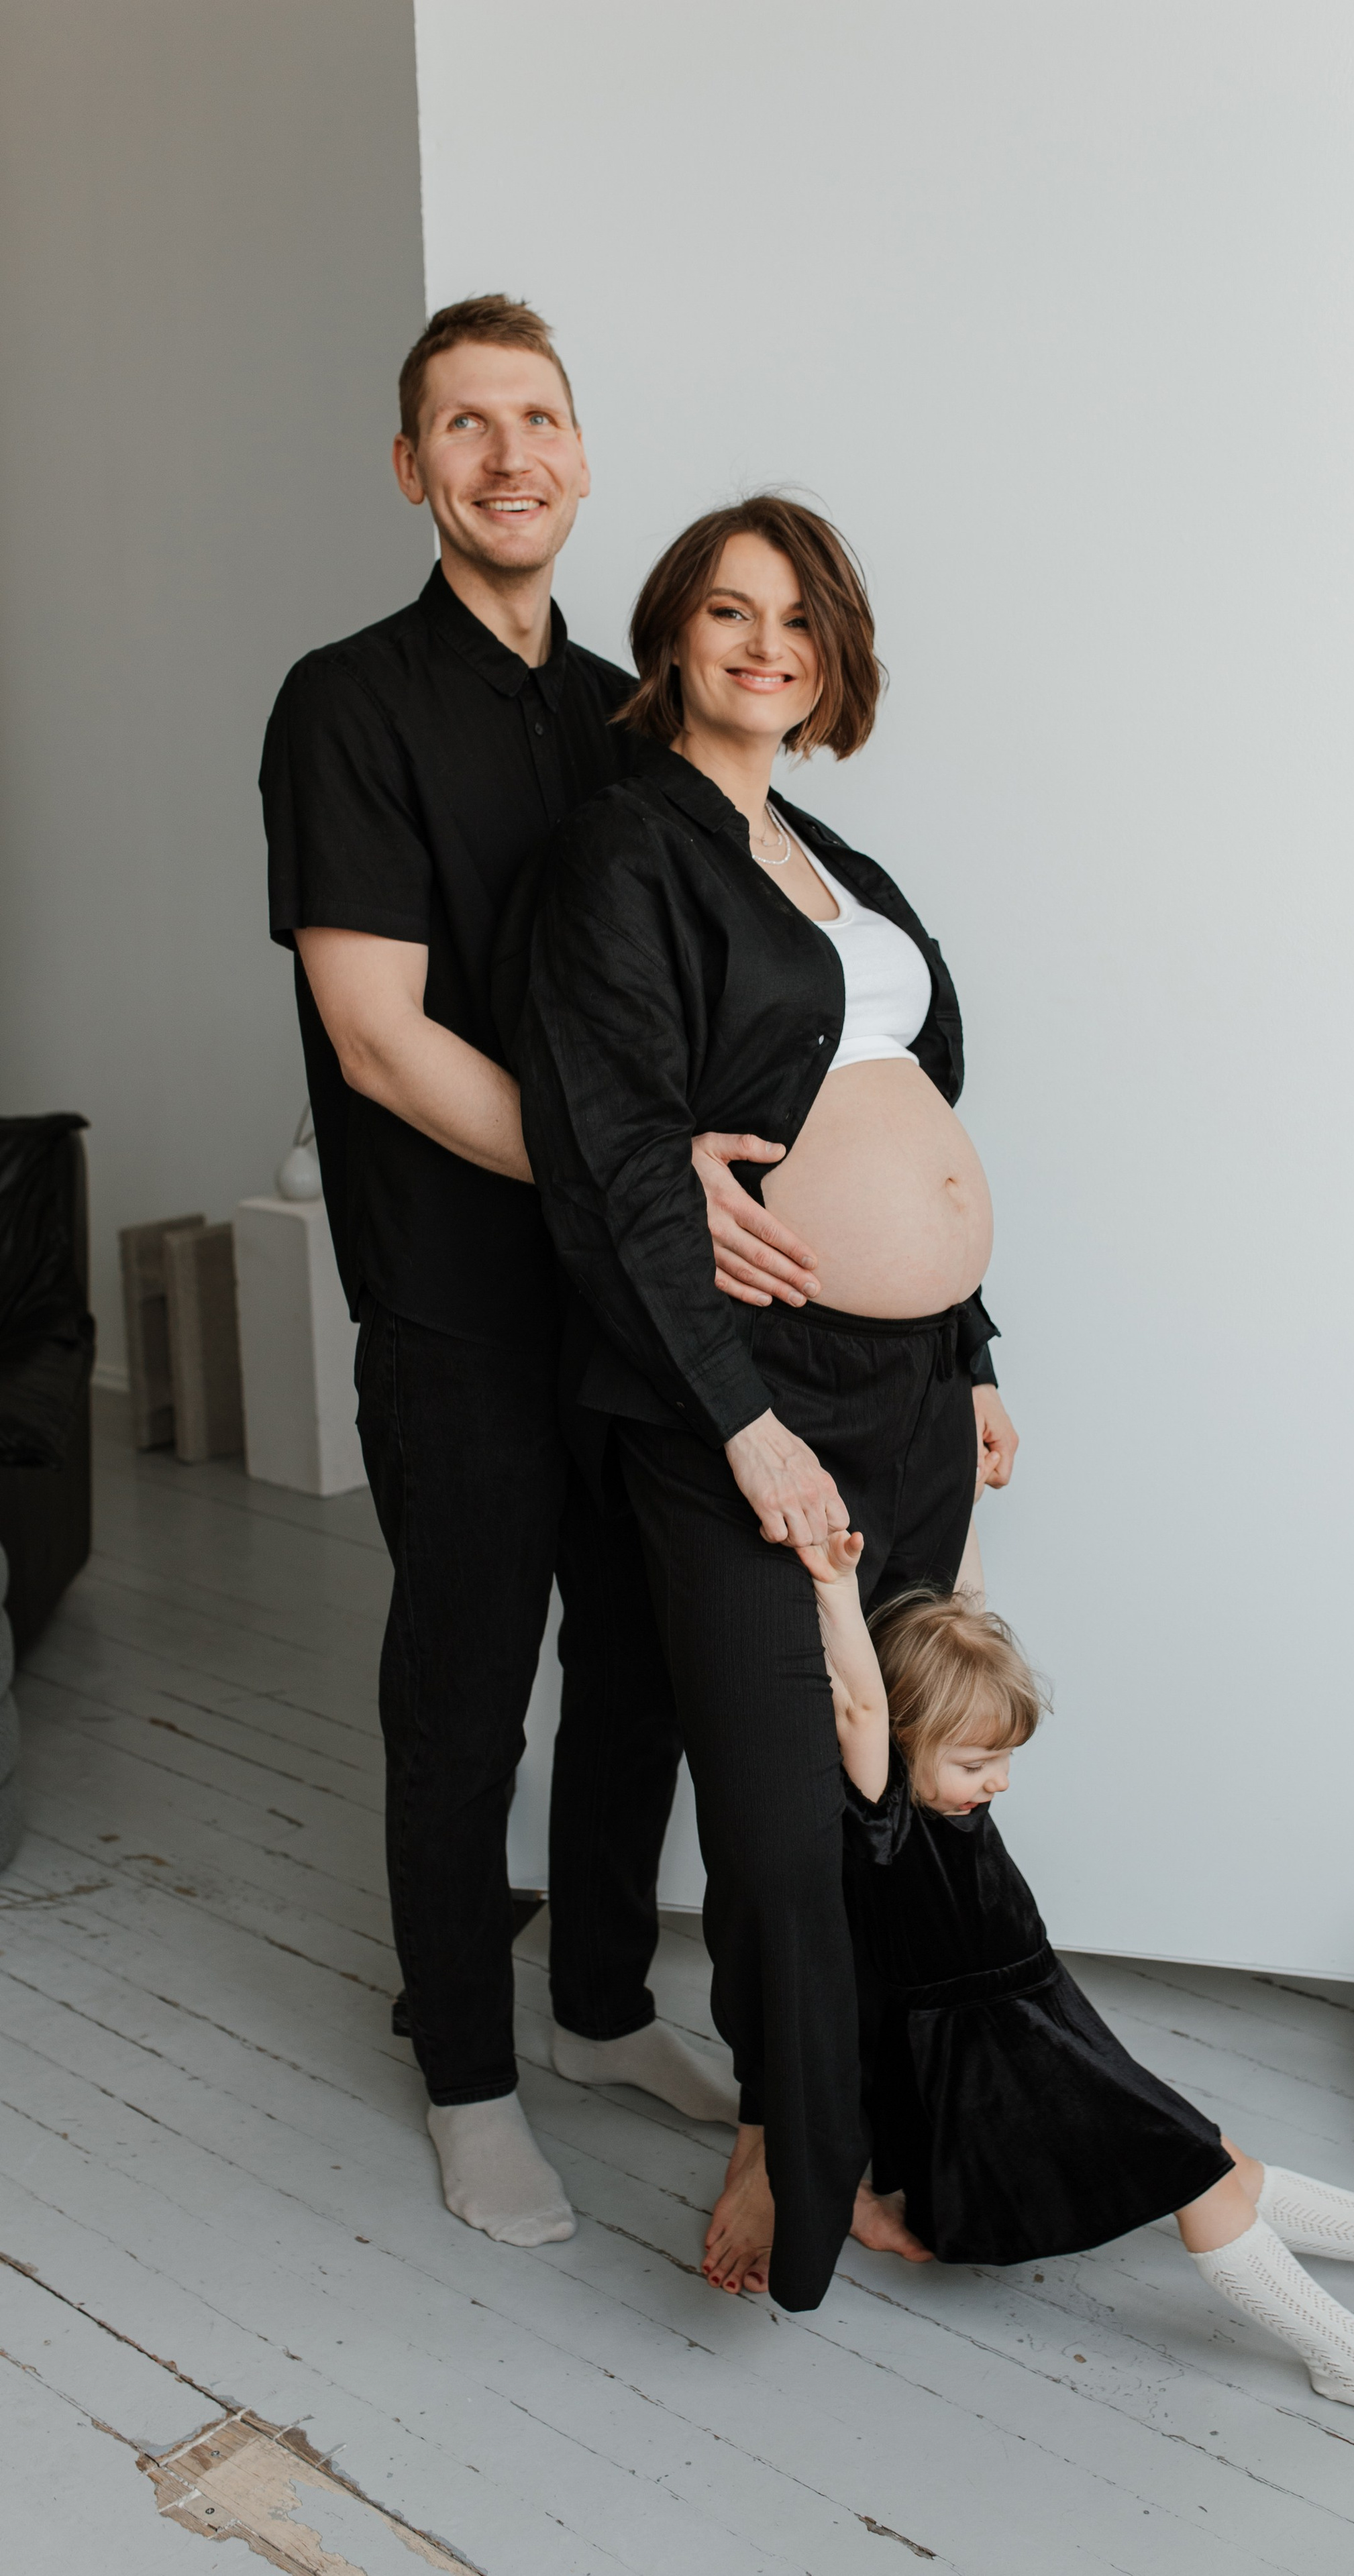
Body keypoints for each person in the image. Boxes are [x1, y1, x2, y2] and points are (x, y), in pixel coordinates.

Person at [261, 301, 821, 2249]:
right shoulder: (345, 703)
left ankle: (592, 2011)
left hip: (635, 1310)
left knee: (644, 1670)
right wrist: (632, 1179)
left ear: (580, 457)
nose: (512, 455)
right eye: (465, 426)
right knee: (468, 1692)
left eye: (542, 419)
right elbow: (380, 1039)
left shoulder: (625, 717)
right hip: (461, 1307)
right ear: (415, 471)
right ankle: (469, 2075)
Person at [517, 495, 1017, 2310]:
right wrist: (744, 1422)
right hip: (744, 1397)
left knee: (897, 1797)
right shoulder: (625, 853)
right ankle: (804, 2188)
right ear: (674, 634)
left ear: (834, 657)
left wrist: (966, 1356)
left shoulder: (837, 865)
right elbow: (619, 1166)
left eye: (797, 620)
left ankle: (840, 2121)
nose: (764, 644)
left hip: (903, 1389)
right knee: (786, 1807)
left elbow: (910, 1108)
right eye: (729, 612)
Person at [794, 1541, 1354, 2432]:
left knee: (1213, 2152)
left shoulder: (949, 1784)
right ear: (904, 1743)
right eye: (979, 1762)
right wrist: (833, 1585)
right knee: (1199, 2176)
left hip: (1045, 2015)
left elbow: (970, 1606)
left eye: (1006, 1757)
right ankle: (1345, 2359)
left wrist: (973, 1501)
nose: (1001, 1780)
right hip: (993, 2068)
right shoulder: (883, 1817)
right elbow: (864, 1700)